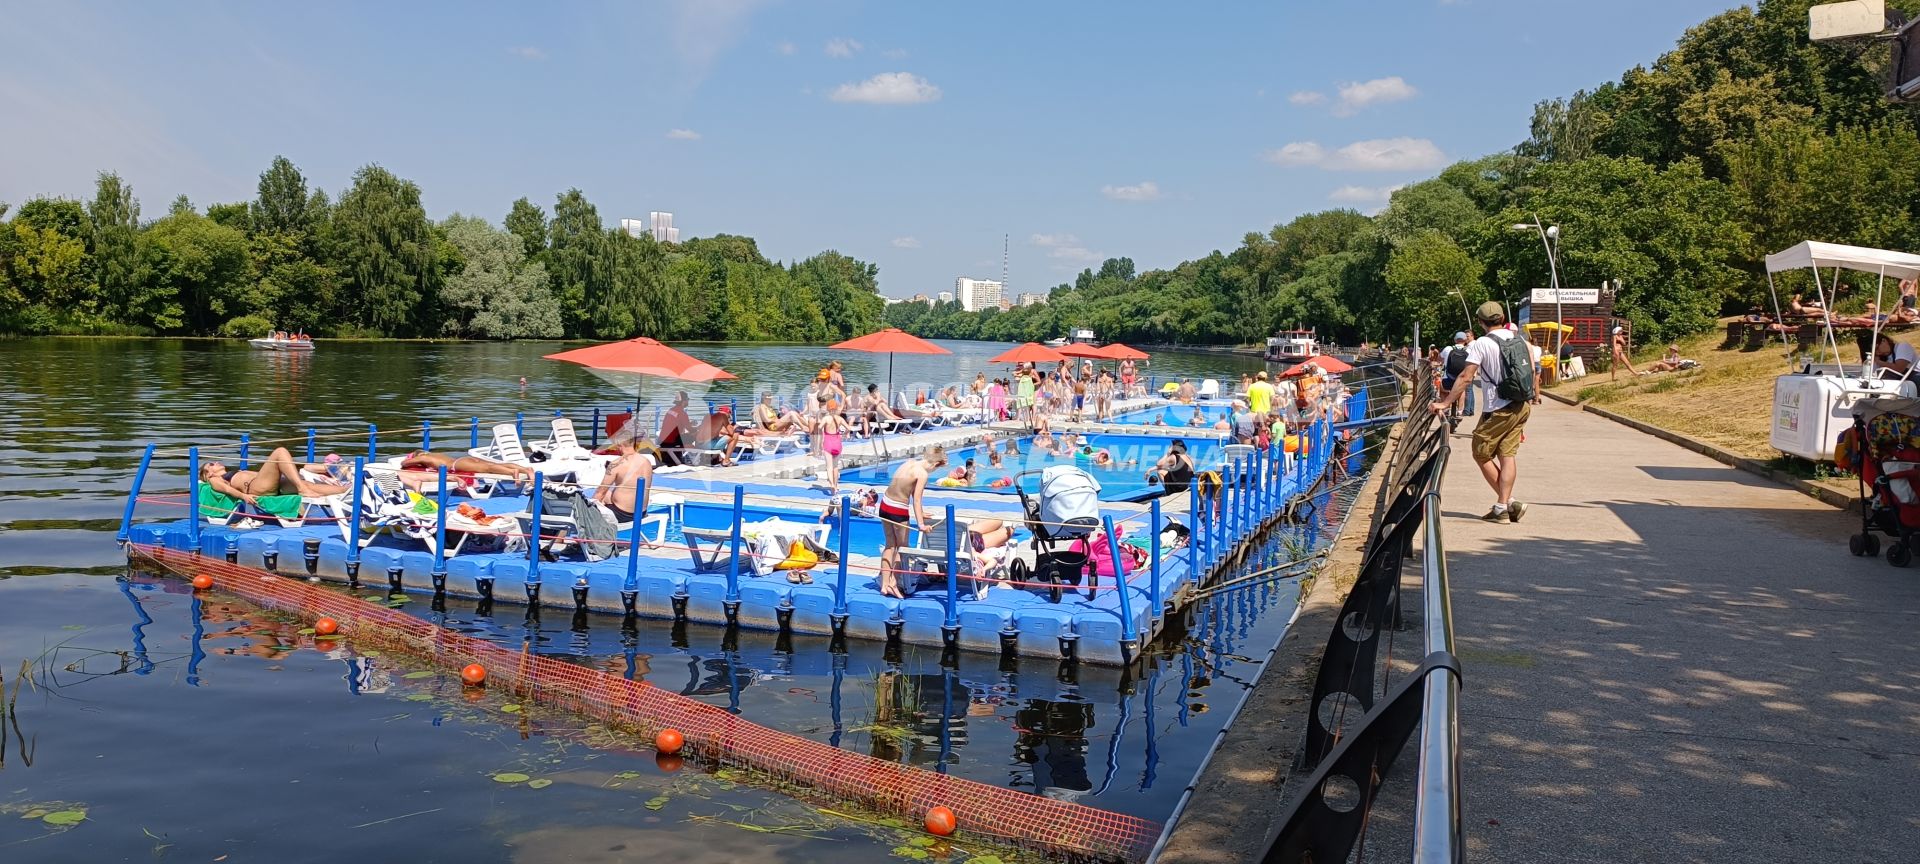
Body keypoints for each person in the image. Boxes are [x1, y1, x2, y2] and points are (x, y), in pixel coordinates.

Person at [1431, 301, 1541, 524]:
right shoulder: (1520, 339)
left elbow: (1466, 376)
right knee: (1507, 454)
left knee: (1480, 452)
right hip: (1521, 405)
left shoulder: (1482, 343)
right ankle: (1507, 504)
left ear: (1481, 322)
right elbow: (1530, 370)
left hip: (1497, 407)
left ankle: (1503, 506)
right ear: (1501, 318)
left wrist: (1445, 403)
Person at [880, 446, 946, 598]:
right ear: (936, 464)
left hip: (885, 503)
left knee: (890, 545)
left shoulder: (909, 462)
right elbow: (916, 499)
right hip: (897, 509)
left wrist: (921, 514)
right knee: (902, 548)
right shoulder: (922, 474)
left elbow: (901, 487)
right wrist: (921, 524)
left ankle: (884, 585)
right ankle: (893, 583)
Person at [199, 447, 350, 505]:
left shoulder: (230, 473)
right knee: (280, 452)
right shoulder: (214, 480)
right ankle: (302, 487)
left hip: (267, 483)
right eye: (211, 464)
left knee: (309, 485)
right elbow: (226, 490)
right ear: (208, 474)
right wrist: (243, 496)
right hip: (255, 487)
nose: (216, 462)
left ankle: (346, 490)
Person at [593, 435, 656, 526]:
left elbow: (600, 492)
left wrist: (590, 510)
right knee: (608, 494)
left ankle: (597, 523)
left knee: (602, 494)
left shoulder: (616, 464)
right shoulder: (646, 461)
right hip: (641, 512)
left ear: (619, 445)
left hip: (622, 514)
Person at [398, 450, 537, 482]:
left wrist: (411, 459)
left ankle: (513, 473)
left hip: (457, 465)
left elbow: (403, 463)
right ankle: (526, 470)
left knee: (488, 469)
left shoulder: (423, 457)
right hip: (464, 459)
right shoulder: (436, 455)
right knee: (494, 464)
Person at [1440, 331, 1476, 421]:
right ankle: (1460, 411)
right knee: (1462, 390)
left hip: (1448, 378)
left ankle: (1446, 408)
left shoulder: (1448, 348)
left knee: (1442, 390)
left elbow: (1439, 358)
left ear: (1455, 340)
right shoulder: (1468, 350)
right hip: (1461, 378)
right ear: (1465, 340)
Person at [817, 403, 851, 496]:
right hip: (837, 442)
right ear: (836, 409)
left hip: (828, 442)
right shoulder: (840, 419)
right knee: (836, 467)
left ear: (828, 409)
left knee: (829, 467)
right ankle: (835, 486)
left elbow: (819, 427)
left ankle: (831, 484)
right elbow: (848, 428)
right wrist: (844, 434)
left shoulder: (826, 418)